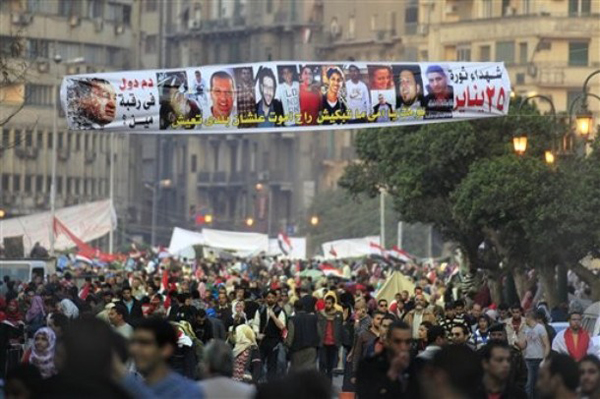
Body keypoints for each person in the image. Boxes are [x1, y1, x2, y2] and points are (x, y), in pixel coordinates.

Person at [123, 317, 202, 398]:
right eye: (133, 342)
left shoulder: (187, 393)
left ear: (166, 349)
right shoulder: (129, 390)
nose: (135, 349)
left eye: (144, 343)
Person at [355, 320, 412, 399]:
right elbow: (366, 394)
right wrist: (392, 373)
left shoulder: (416, 366)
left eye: (407, 342)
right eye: (397, 341)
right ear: (388, 341)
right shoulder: (368, 365)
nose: (403, 347)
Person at [252, 290, 286, 381]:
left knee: (272, 365)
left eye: (272, 297)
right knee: (259, 363)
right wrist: (257, 334)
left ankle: (271, 385)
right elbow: (255, 324)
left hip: (274, 341)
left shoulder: (280, 311)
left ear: (275, 298)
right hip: (262, 341)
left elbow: (282, 327)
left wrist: (274, 316)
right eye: (268, 297)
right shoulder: (260, 309)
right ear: (265, 298)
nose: (270, 299)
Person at [489, 323, 528, 392]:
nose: (496, 337)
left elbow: (523, 375)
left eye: (499, 335)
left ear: (505, 336)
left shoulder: (514, 353)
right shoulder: (483, 353)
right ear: (490, 336)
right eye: (493, 335)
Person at [286, 299, 320, 371]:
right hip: (311, 349)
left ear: (294, 308)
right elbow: (319, 333)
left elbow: (290, 337)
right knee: (310, 372)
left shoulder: (292, 320)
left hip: (297, 351)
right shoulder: (314, 318)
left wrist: (287, 346)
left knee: (298, 374)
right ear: (304, 307)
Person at [524, 309, 550, 399]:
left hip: (538, 358)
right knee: (529, 384)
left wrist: (544, 359)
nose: (524, 319)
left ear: (529, 318)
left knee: (537, 384)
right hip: (528, 358)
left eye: (525, 317)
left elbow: (546, 344)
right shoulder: (526, 329)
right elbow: (524, 344)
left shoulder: (540, 328)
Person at [351, 310, 384, 381]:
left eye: (382, 320)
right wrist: (354, 373)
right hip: (366, 371)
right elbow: (357, 355)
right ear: (372, 320)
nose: (380, 321)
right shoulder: (363, 335)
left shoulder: (386, 336)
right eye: (378, 319)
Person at [317, 295, 343, 380]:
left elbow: (340, 328)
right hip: (323, 343)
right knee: (322, 364)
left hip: (333, 343)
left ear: (333, 304)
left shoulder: (338, 315)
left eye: (329, 303)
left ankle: (328, 384)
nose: (327, 305)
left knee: (330, 366)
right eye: (326, 303)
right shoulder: (320, 314)